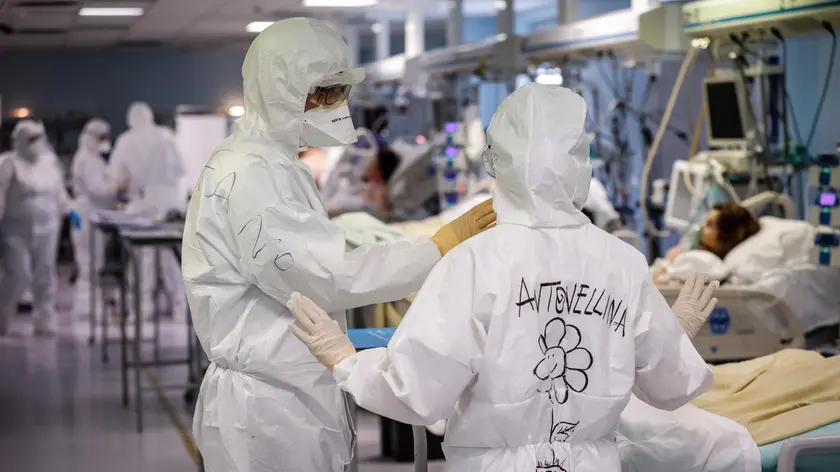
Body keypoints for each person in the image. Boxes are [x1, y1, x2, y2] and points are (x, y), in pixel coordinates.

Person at [286, 83, 718, 472]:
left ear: (498, 162)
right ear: (579, 162)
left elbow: (417, 391)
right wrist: (676, 334)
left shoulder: (473, 262)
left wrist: (347, 361)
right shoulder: (622, 262)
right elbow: (667, 386)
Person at [180, 17, 496, 472]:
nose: (337, 105)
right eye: (325, 93)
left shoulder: (275, 164)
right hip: (269, 412)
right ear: (281, 92)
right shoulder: (252, 173)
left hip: (289, 393)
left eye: (340, 92)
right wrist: (436, 247)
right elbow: (328, 276)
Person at [97, 102, 187, 319]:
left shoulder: (127, 140)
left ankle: (142, 308)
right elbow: (182, 169)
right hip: (170, 204)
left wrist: (116, 191)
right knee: (171, 258)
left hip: (143, 204)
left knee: (142, 257)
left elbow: (117, 178)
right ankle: (180, 308)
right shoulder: (166, 136)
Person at [0, 120, 81, 336]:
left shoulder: (50, 163)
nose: (36, 144)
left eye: (38, 138)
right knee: (19, 274)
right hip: (16, 230)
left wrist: (70, 210)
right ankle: (2, 316)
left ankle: (44, 319)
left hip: (48, 226)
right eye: (31, 139)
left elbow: (59, 192)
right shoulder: (8, 163)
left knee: (45, 274)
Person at [70, 118, 115, 317]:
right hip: (85, 212)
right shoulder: (86, 160)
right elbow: (96, 189)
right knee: (88, 261)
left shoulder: (94, 159)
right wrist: (116, 187)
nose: (105, 141)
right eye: (102, 137)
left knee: (94, 261)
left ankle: (89, 305)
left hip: (92, 212)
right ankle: (85, 308)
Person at [652, 203, 761, 283]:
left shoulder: (706, 263)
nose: (702, 228)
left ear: (725, 235)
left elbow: (657, 282)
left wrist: (668, 263)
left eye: (709, 224)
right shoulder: (701, 257)